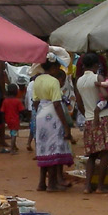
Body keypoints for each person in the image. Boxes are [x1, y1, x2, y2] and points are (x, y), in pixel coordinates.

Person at [31, 57, 74, 193]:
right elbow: (57, 103)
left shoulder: (37, 80)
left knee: (43, 149)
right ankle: (52, 184)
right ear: (54, 67)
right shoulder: (54, 81)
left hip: (40, 115)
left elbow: (35, 102)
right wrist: (66, 126)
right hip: (52, 116)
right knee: (54, 149)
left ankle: (41, 182)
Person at [77, 54, 108, 193]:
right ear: (96, 65)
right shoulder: (98, 78)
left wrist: (87, 115)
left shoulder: (79, 81)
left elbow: (79, 103)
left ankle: (87, 186)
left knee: (92, 155)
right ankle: (100, 186)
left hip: (89, 119)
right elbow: (105, 95)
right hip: (103, 117)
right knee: (105, 152)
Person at [1, 82, 24, 153]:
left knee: (12, 132)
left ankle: (14, 146)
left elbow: (2, 111)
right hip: (15, 119)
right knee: (14, 134)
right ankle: (12, 149)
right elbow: (22, 110)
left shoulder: (5, 101)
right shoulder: (17, 101)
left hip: (8, 119)